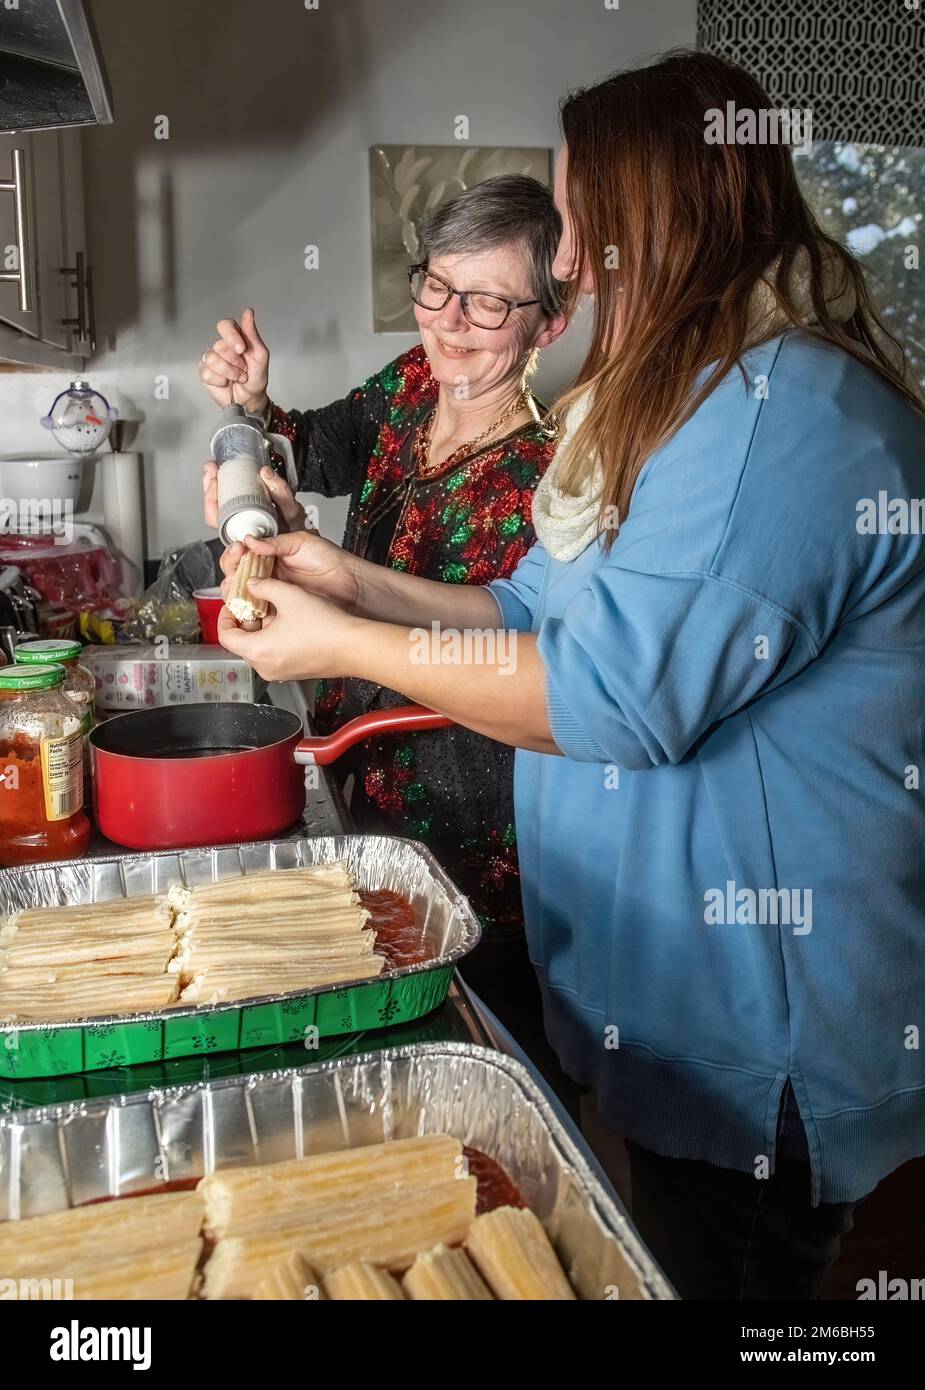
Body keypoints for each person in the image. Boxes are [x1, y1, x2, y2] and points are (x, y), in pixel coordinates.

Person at [216, 49, 925, 1300]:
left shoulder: (780, 418)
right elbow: (533, 606)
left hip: (757, 1021)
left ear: (656, 213)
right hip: (666, 992)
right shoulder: (683, 398)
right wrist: (349, 581)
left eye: (580, 226)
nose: (564, 263)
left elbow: (609, 697)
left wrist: (338, 650)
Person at [199, 175, 569, 1053]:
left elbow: (508, 650)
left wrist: (331, 599)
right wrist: (253, 408)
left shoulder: (551, 471)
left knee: (475, 1021)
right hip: (359, 756)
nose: (444, 323)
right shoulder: (411, 384)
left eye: (485, 305)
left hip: (473, 808)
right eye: (436, 287)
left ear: (546, 324)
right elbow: (320, 445)